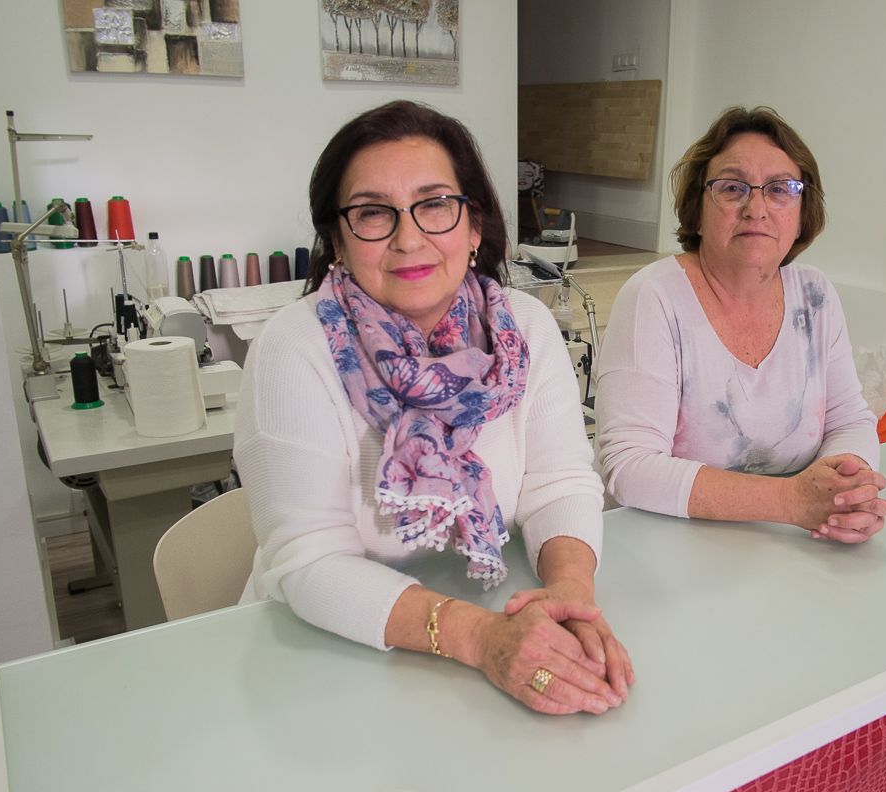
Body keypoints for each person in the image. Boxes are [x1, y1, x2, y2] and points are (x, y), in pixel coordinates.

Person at [234, 101, 633, 715]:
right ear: (337, 239)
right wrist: (482, 638)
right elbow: (311, 559)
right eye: (372, 212)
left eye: (435, 204)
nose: (408, 238)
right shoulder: (294, 347)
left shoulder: (523, 328)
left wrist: (569, 594)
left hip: (495, 626)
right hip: (330, 654)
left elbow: (557, 482)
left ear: (474, 227)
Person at [594, 106, 886, 542]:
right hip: (665, 542)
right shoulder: (654, 297)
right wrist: (792, 502)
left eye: (780, 189)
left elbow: (849, 419)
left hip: (788, 541)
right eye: (732, 188)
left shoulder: (815, 294)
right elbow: (629, 467)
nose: (756, 208)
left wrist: (848, 492)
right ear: (697, 211)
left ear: (802, 213)